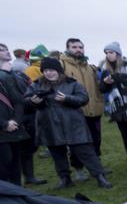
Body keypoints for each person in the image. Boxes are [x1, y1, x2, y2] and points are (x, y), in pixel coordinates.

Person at [25, 58, 111, 189]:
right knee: (57, 154)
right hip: (49, 125)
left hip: (73, 124)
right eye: (46, 70)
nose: (49, 73)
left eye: (52, 70)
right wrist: (33, 101)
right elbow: (25, 101)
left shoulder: (72, 83)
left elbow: (84, 98)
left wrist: (67, 98)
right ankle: (65, 179)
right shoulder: (36, 84)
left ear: (58, 71)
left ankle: (100, 176)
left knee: (86, 152)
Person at [60, 38, 105, 166]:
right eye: (74, 47)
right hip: (74, 110)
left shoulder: (90, 67)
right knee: (77, 142)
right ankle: (79, 168)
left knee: (96, 139)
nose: (78, 50)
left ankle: (97, 164)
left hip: (93, 109)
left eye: (80, 47)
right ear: (67, 49)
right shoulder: (62, 65)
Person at [0, 50, 31, 185]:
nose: (5, 51)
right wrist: (4, 124)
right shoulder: (5, 74)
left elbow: (18, 100)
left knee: (15, 163)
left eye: (6, 49)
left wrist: (16, 121)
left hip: (13, 125)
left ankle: (18, 193)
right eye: (1, 50)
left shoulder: (10, 75)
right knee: (4, 163)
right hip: (3, 127)